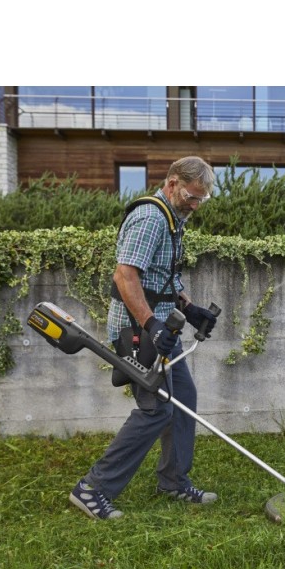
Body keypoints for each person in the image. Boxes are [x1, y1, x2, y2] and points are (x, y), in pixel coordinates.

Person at [69, 156, 219, 520]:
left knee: (183, 398)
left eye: (202, 200)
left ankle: (173, 481)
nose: (195, 205)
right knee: (156, 409)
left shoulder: (173, 218)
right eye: (191, 197)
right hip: (138, 330)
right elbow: (125, 276)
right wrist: (150, 325)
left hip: (163, 327)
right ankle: (92, 489)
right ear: (172, 183)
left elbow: (161, 276)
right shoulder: (151, 217)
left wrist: (190, 307)